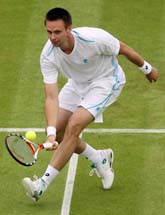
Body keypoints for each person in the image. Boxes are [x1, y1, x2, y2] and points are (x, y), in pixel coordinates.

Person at [22, 7, 158, 202]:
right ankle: (99, 158)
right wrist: (51, 133)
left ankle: (41, 184)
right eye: (49, 32)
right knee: (60, 132)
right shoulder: (48, 55)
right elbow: (51, 96)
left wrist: (147, 69)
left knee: (74, 126)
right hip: (77, 84)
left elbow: (124, 49)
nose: (52, 37)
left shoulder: (94, 38)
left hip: (106, 81)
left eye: (57, 32)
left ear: (69, 28)